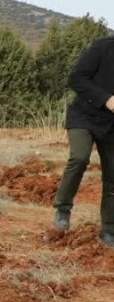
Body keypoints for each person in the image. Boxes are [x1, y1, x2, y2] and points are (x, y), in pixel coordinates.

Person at [52, 35, 114, 244]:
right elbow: (76, 78)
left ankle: (108, 230)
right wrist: (106, 99)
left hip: (112, 125)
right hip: (84, 116)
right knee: (79, 157)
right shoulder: (102, 46)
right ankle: (63, 207)